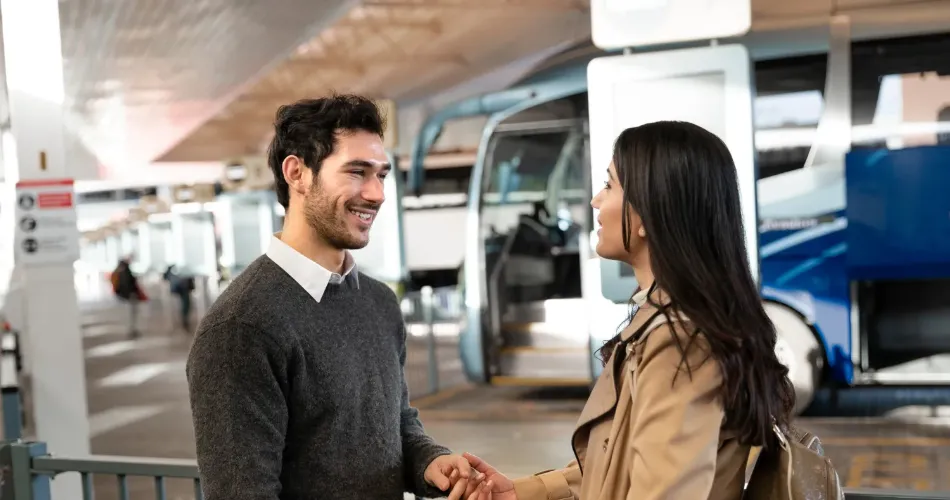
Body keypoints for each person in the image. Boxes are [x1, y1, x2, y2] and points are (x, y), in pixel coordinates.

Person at [456, 121, 796, 500]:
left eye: (609, 184)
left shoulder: (681, 344)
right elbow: (618, 463)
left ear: (649, 214)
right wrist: (520, 491)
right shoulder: (671, 325)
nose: (595, 201)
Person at [186, 94, 473, 500]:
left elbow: (398, 425)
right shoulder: (242, 327)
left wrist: (430, 463)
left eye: (382, 175)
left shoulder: (378, 303)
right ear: (297, 173)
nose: (376, 194)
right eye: (357, 172)